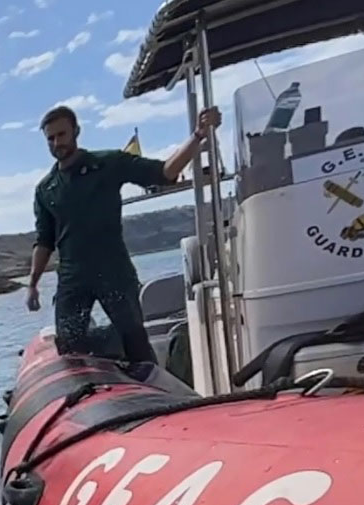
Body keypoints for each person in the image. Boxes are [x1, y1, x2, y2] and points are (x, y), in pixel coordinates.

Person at [25, 104, 222, 363]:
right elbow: (45, 240)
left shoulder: (108, 163)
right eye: (50, 138)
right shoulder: (45, 189)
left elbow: (165, 172)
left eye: (61, 135)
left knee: (136, 343)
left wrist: (198, 135)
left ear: (76, 132)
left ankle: (151, 386)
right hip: (72, 278)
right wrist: (32, 284)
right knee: (71, 349)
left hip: (113, 271)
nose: (56, 143)